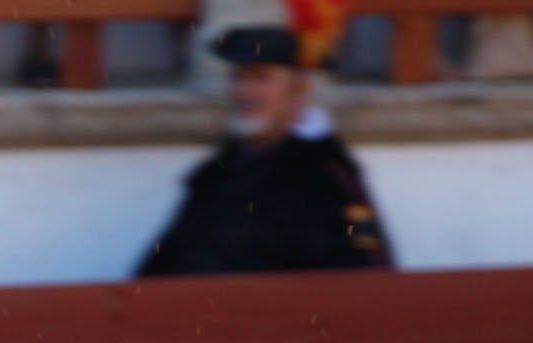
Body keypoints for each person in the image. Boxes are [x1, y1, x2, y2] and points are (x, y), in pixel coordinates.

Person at [137, 24, 391, 278]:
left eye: (260, 78)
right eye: (238, 78)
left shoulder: (328, 176)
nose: (242, 92)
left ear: (299, 90)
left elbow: (364, 279)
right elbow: (162, 268)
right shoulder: (215, 173)